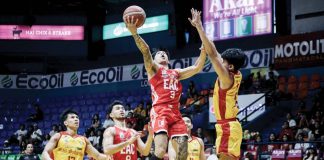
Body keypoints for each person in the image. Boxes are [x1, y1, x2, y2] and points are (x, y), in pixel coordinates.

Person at [125, 11, 207, 160]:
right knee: (161, 150)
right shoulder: (153, 69)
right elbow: (145, 50)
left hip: (175, 113)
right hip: (160, 111)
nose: (162, 54)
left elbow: (197, 68)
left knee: (183, 151)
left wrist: (203, 51)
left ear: (168, 60)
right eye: (159, 54)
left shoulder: (176, 72)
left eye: (165, 53)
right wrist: (134, 33)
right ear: (154, 59)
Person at [188, 8, 245, 160]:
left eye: (223, 62)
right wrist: (202, 31)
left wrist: (199, 26)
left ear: (230, 66)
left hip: (228, 127)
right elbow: (213, 49)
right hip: (227, 126)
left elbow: (212, 54)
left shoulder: (227, 78)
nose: (221, 62)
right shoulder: (233, 73)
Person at [41, 109, 107, 160]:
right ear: (65, 123)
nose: (76, 119)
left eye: (77, 117)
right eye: (72, 117)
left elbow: (98, 156)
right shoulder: (58, 136)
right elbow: (44, 153)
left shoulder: (84, 140)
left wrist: (109, 157)